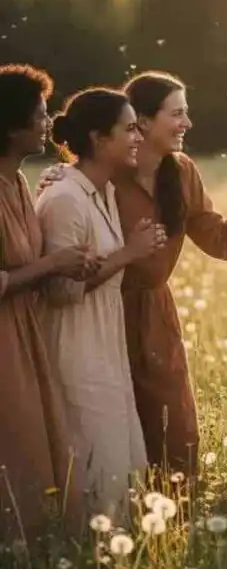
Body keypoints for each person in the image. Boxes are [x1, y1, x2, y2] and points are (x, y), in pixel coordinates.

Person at [37, 70, 227, 478]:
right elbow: (72, 203)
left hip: (156, 314)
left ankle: (176, 520)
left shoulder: (182, 172)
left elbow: (221, 241)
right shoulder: (107, 170)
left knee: (174, 428)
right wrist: (58, 174)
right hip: (104, 308)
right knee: (110, 426)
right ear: (140, 121)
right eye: (176, 114)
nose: (187, 124)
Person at [36, 87, 165, 522]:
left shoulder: (102, 191)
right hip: (75, 352)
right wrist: (130, 252)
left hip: (105, 350)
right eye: (128, 129)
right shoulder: (64, 199)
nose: (137, 137)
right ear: (97, 139)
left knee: (121, 466)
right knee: (95, 466)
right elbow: (59, 291)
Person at [0, 65, 92, 535]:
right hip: (3, 338)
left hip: (23, 330)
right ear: (11, 125)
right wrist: (52, 265)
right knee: (13, 443)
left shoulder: (17, 183)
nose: (48, 122)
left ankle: (34, 547)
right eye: (38, 115)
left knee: (31, 442)